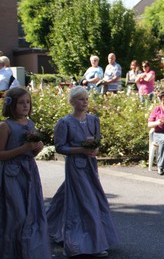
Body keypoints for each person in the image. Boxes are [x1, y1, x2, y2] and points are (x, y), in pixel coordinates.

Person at [46, 86, 119, 257]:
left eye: (86, 99)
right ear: (72, 102)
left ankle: (48, 225)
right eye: (81, 99)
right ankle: (89, 244)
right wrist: (81, 150)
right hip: (75, 166)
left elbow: (97, 141)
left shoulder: (94, 120)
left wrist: (94, 150)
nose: (85, 102)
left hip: (90, 165)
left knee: (68, 196)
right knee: (88, 201)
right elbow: (60, 147)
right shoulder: (64, 123)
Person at [0, 87, 52, 258]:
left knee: (31, 212)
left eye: (28, 102)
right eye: (21, 103)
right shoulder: (5, 126)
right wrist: (24, 148)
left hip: (29, 171)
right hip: (11, 174)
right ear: (11, 104)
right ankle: (11, 252)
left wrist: (37, 148)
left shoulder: (30, 124)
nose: (25, 106)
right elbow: (1, 155)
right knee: (17, 214)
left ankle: (29, 251)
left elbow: (30, 151)